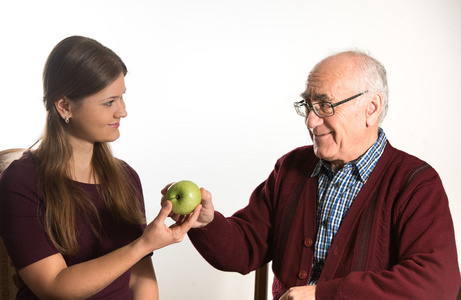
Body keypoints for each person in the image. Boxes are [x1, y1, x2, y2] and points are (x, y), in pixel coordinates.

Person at [162, 50, 461, 299]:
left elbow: (436, 284)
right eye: (308, 104)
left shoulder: (415, 183)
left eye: (325, 105)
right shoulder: (292, 167)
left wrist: (321, 295)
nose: (311, 120)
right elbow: (246, 248)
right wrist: (207, 224)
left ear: (371, 108)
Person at [0, 35, 201, 300]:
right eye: (109, 102)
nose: (122, 111)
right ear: (65, 106)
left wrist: (144, 247)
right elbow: (55, 286)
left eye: (122, 97)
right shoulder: (20, 182)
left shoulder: (125, 177)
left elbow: (141, 279)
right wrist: (143, 244)